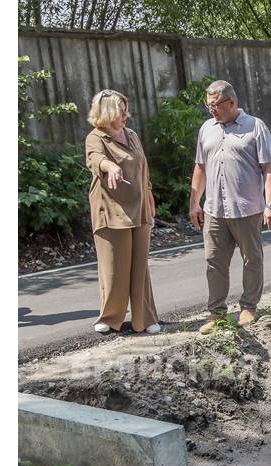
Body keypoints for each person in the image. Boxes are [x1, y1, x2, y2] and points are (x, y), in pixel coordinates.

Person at [188, 80, 271, 334]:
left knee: (252, 259)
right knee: (213, 261)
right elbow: (200, 167)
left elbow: (269, 170)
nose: (211, 110)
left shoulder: (255, 126)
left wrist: (270, 205)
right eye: (208, 106)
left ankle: (249, 306)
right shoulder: (207, 128)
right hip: (214, 209)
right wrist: (195, 202)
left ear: (231, 102)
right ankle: (216, 313)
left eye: (215, 105)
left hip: (247, 208)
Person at [84, 89, 161, 335]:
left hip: (138, 207)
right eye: (121, 110)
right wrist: (110, 167)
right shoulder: (96, 137)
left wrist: (149, 194)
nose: (126, 115)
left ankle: (145, 319)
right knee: (114, 267)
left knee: (140, 266)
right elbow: (94, 159)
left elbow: (143, 168)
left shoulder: (132, 135)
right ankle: (110, 317)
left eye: (126, 109)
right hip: (110, 208)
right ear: (108, 113)